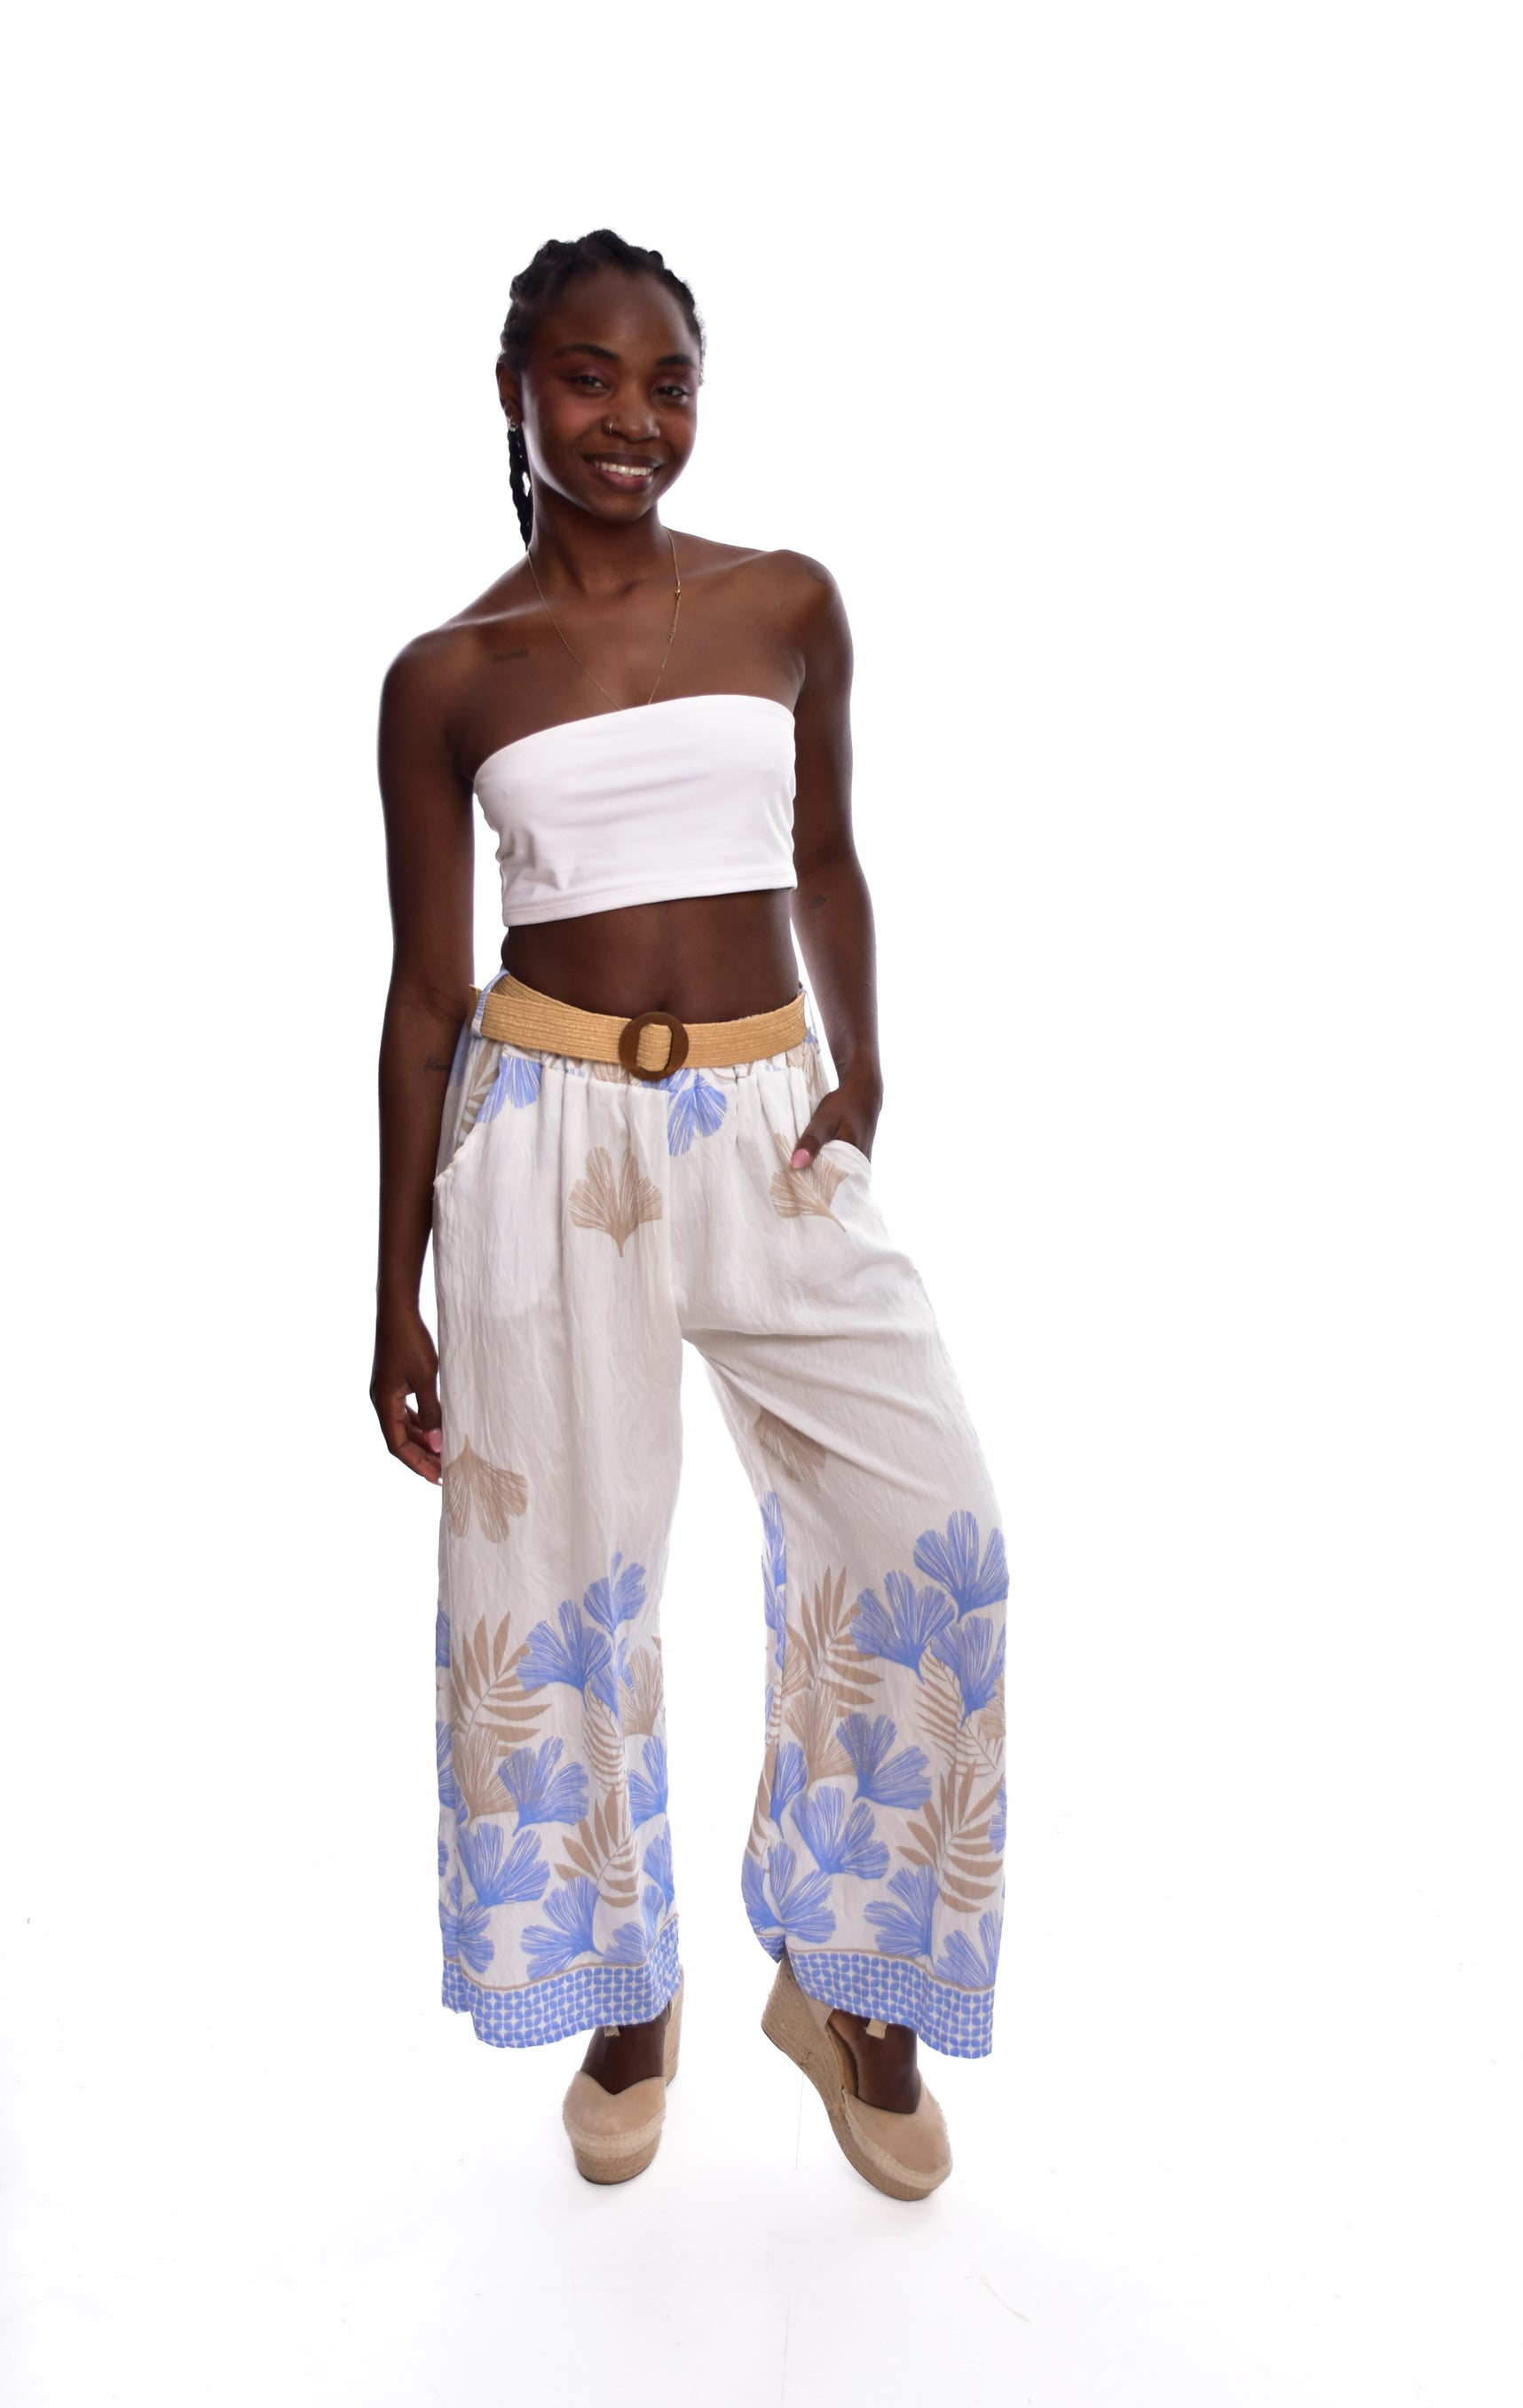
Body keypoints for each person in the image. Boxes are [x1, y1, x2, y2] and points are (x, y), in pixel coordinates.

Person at [371, 232, 1006, 2199]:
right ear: (515, 392)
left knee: (932, 1529)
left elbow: (826, 853)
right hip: (540, 1136)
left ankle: (849, 1980)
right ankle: (623, 1985)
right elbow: (423, 996)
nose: (630, 419)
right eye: (588, 377)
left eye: (666, 383)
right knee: (565, 1576)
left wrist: (864, 1074)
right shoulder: (448, 677)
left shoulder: (783, 600)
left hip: (767, 1119)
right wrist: (391, 1294)